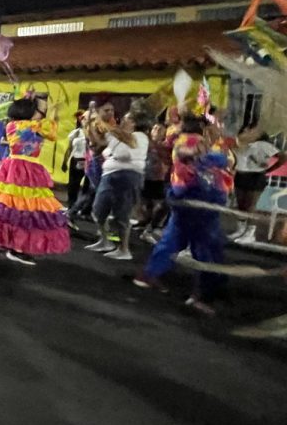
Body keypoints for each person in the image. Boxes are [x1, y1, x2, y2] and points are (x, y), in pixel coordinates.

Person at [132, 114, 233, 316]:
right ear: (201, 130)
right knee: (205, 249)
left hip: (190, 201)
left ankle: (149, 275)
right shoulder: (192, 142)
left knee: (173, 240)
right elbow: (198, 158)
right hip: (198, 204)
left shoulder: (184, 141)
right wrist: (216, 155)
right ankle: (200, 295)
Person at [0, 95, 70, 265]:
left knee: (9, 206)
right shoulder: (35, 126)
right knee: (25, 209)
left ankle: (5, 240)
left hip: (11, 167)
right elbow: (52, 132)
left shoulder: (11, 125)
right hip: (27, 170)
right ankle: (17, 248)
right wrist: (53, 112)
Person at [86, 111, 150, 260]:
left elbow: (127, 148)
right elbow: (100, 142)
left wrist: (105, 125)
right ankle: (104, 241)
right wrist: (90, 125)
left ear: (134, 122)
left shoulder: (140, 136)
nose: (123, 121)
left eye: (127, 119)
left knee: (122, 214)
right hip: (108, 176)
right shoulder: (117, 136)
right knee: (98, 210)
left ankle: (124, 249)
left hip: (127, 176)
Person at [230, 125, 279, 244]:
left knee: (251, 205)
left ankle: (250, 233)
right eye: (246, 129)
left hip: (256, 176)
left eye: (250, 130)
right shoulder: (239, 143)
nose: (247, 131)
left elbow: (281, 157)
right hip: (241, 174)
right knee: (241, 203)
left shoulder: (264, 145)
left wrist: (269, 169)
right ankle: (241, 229)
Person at [138, 120, 172, 243]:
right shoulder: (144, 143)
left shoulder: (166, 147)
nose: (157, 130)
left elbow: (169, 161)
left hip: (159, 179)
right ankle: (145, 224)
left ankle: (151, 226)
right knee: (145, 204)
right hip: (145, 177)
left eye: (160, 129)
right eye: (155, 128)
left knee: (162, 204)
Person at [61, 113, 87, 209]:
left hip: (89, 161)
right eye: (82, 118)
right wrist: (64, 162)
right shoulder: (75, 133)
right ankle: (72, 205)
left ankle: (84, 207)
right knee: (73, 184)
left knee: (88, 185)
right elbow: (69, 148)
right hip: (77, 159)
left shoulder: (95, 133)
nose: (84, 120)